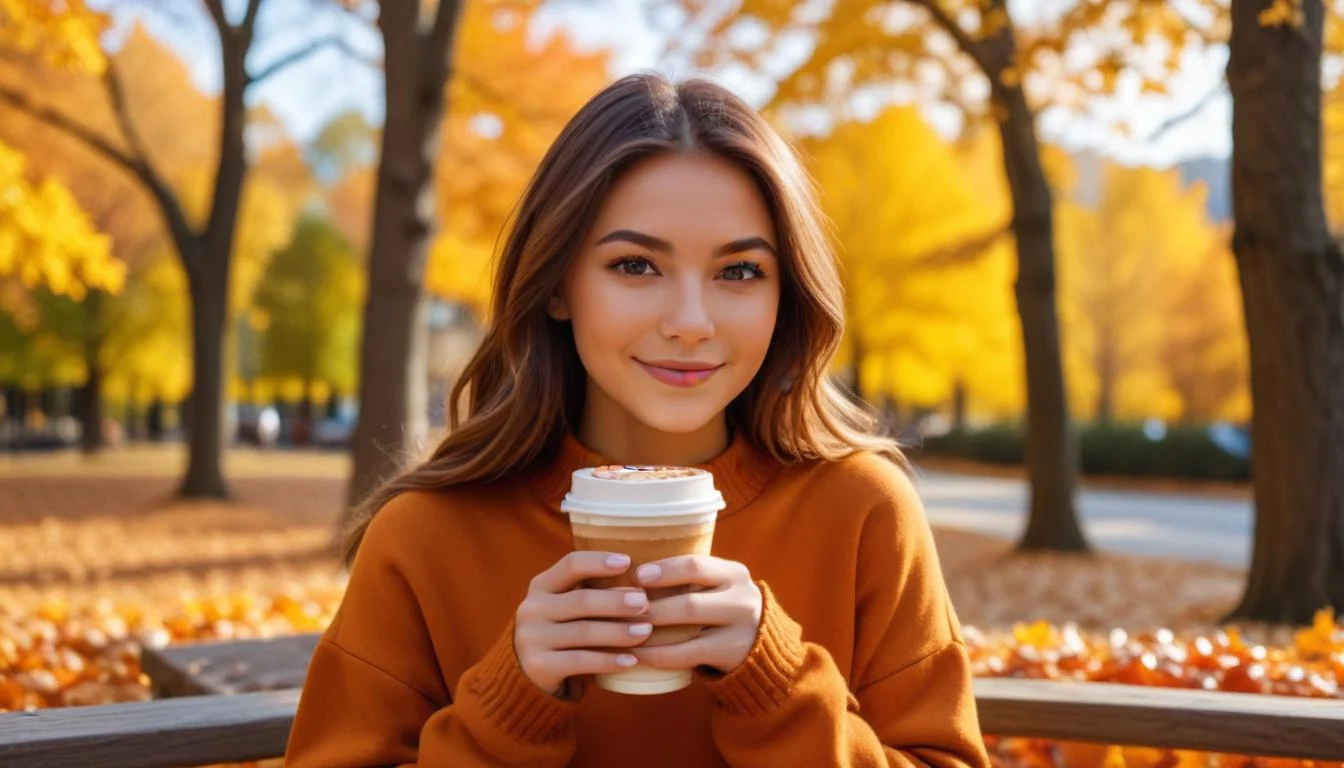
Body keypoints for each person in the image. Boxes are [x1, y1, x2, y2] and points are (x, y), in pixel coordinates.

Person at [285, 72, 989, 768]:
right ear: (558, 285)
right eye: (635, 265)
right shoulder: (425, 538)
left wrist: (776, 683)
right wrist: (507, 708)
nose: (690, 322)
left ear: (788, 295)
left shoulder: (863, 511)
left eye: (739, 272)